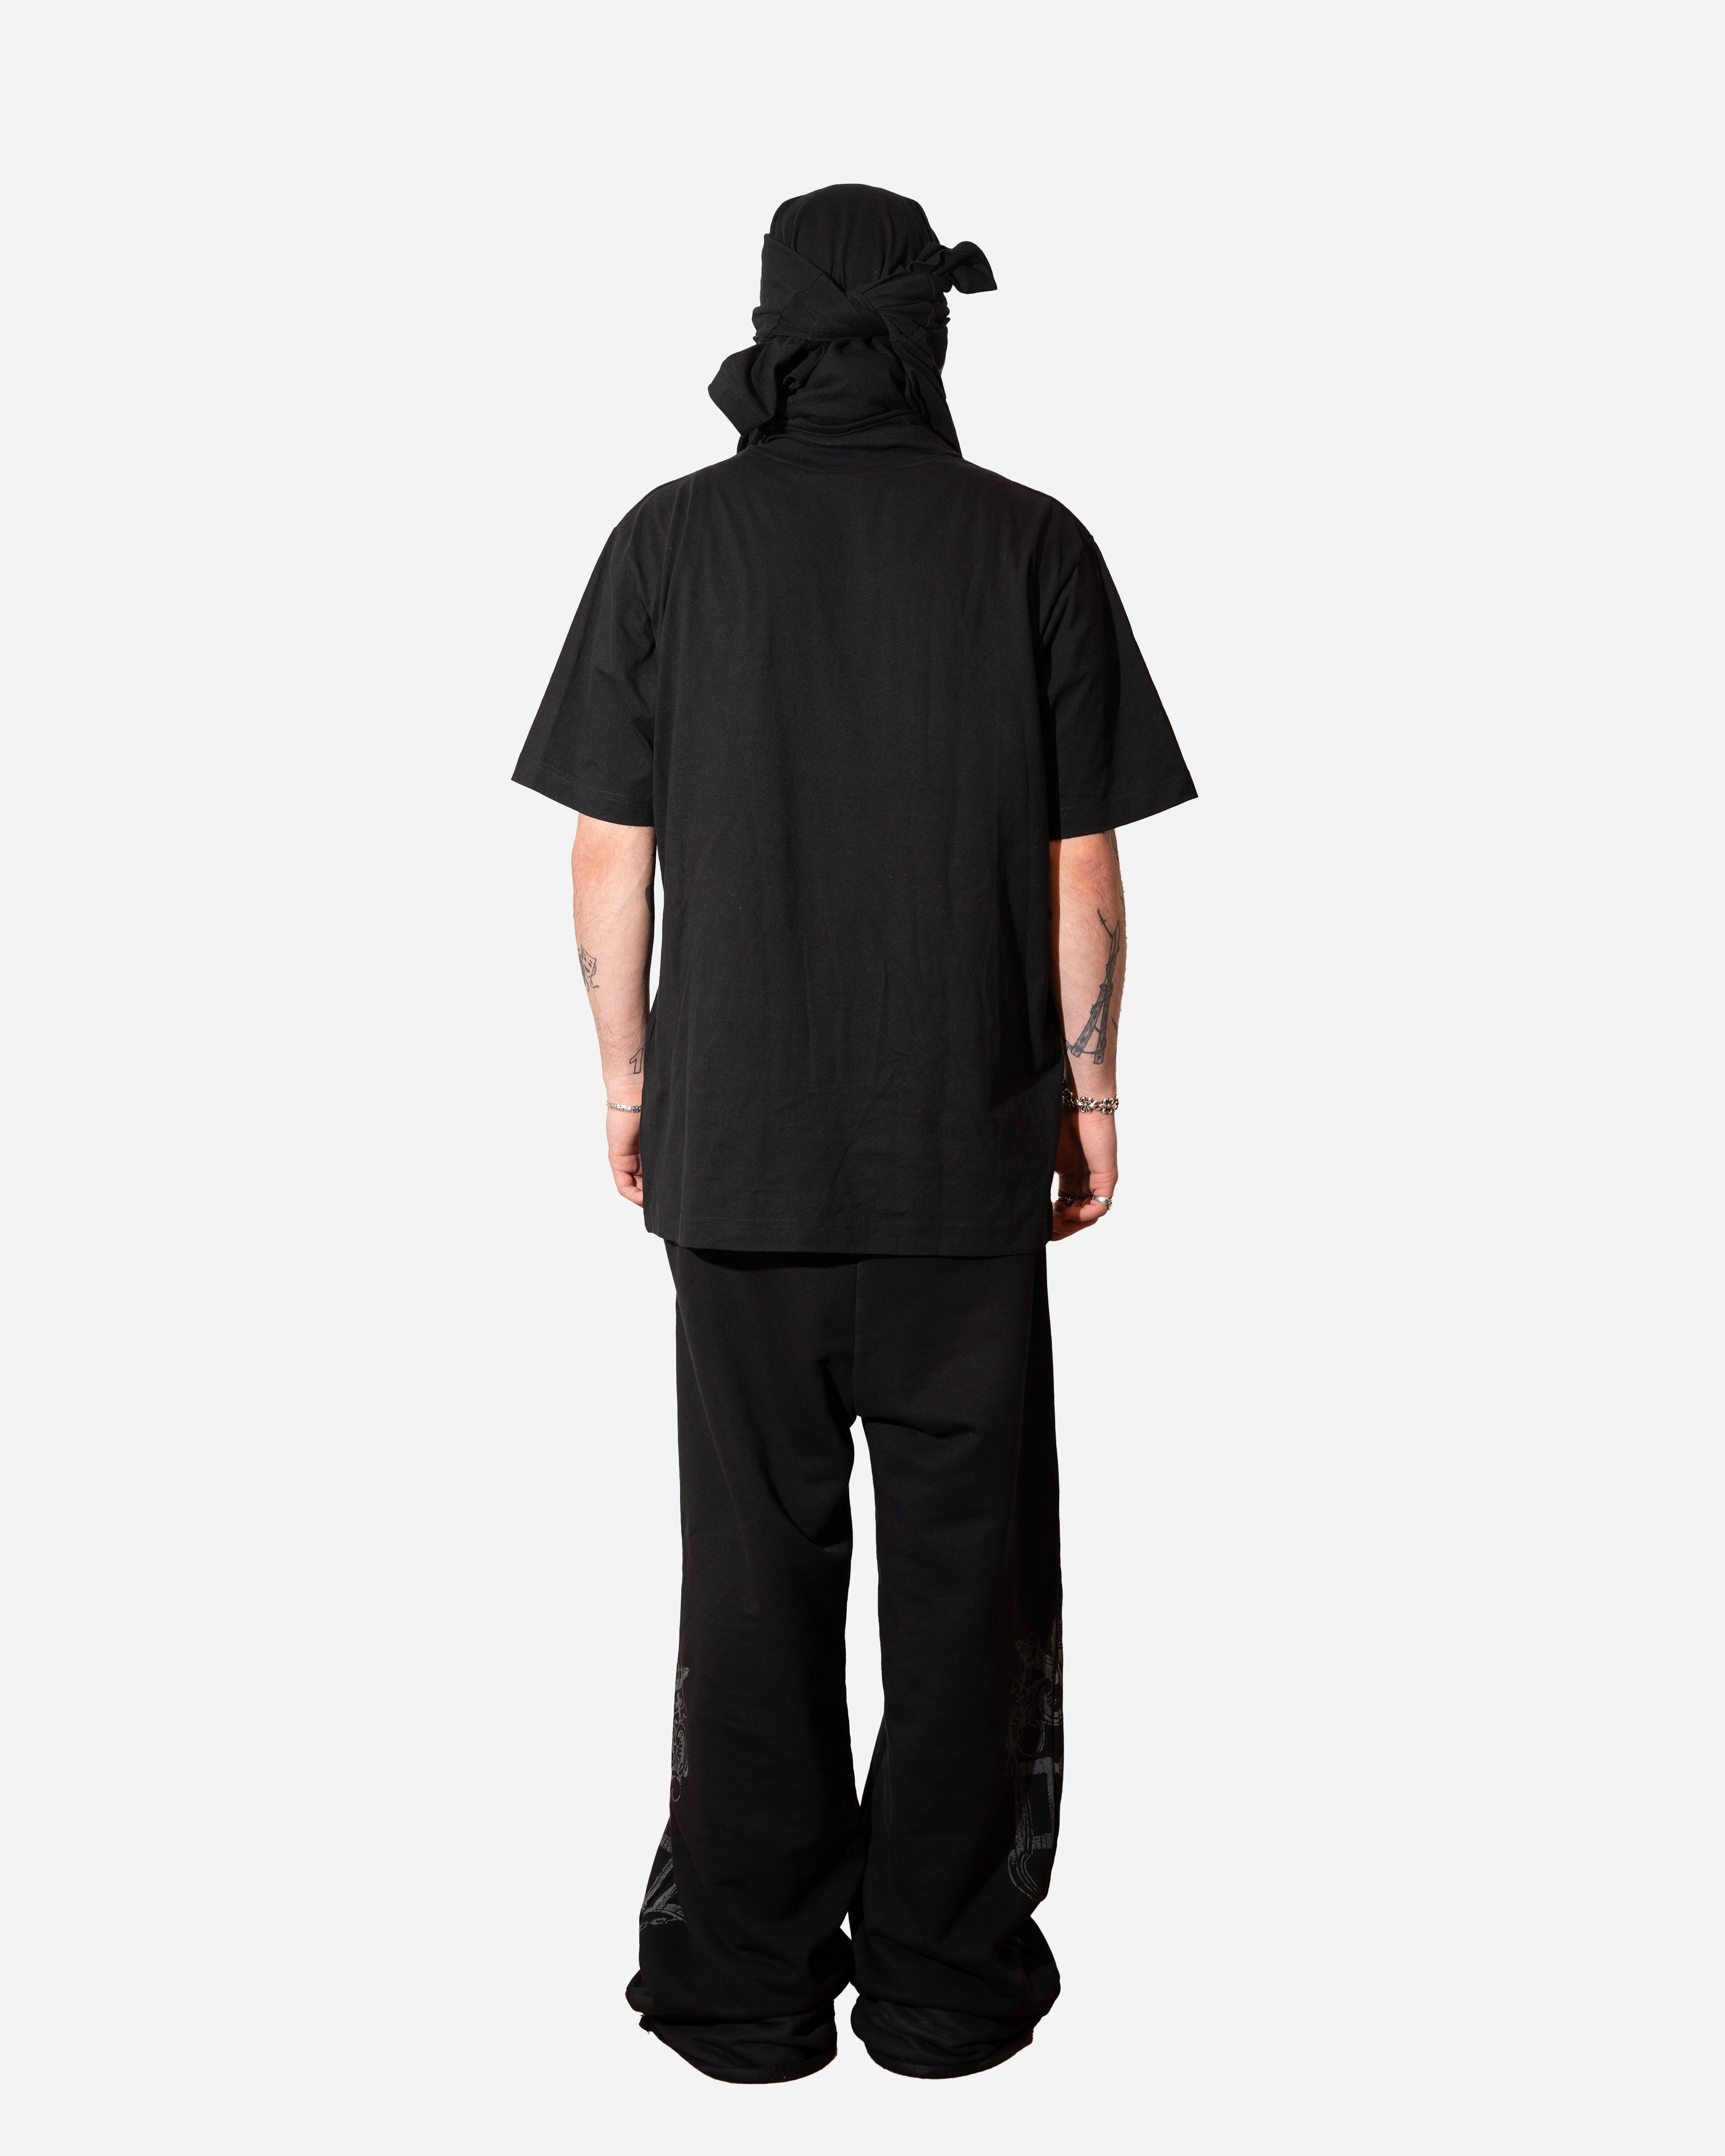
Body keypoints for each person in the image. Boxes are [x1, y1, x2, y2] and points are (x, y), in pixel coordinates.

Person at [512, 183, 1195, 2084]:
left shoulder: (671, 538)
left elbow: (608, 849)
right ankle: (944, 1986)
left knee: (752, 1575)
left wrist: (632, 1085)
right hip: (965, 1159)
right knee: (973, 1578)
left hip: (738, 1158)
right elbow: (1080, 865)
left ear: (774, 329)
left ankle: (742, 1990)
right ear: (928, 336)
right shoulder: (1030, 542)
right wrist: (1091, 1093)